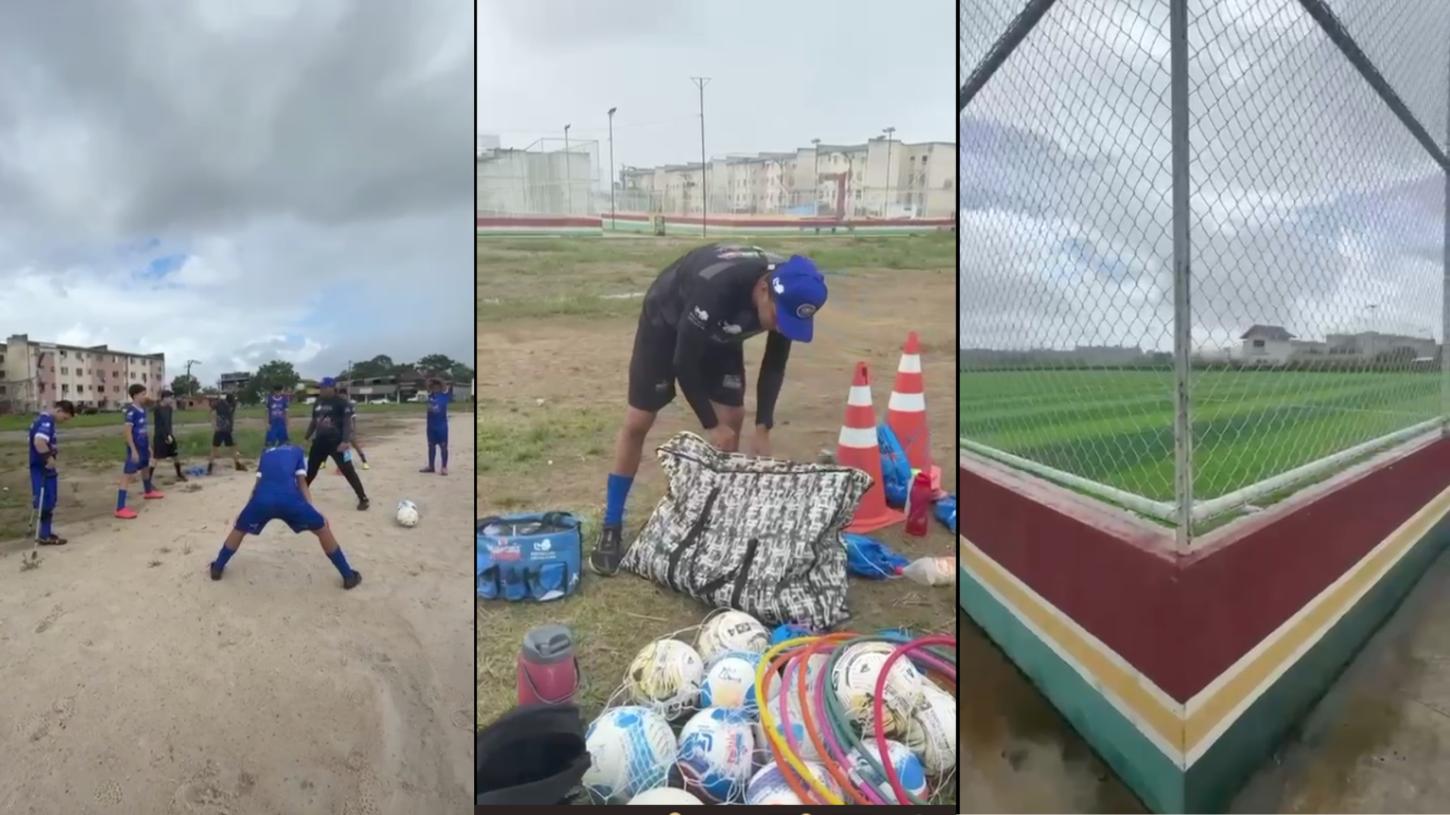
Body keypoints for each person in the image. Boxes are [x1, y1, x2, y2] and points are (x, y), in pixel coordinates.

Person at [589, 244, 828, 576]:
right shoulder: (718, 286)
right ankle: (611, 525)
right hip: (668, 321)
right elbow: (683, 362)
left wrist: (763, 427)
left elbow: (774, 364)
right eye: (777, 318)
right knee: (639, 421)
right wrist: (709, 424)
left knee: (733, 421)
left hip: (724, 329)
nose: (779, 327)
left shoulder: (787, 293)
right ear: (763, 290)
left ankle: (714, 523)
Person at [208, 443, 362, 590]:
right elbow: (302, 484)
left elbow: (257, 486)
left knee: (239, 529)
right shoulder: (297, 451)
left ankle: (217, 568)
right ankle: (348, 576)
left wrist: (244, 512)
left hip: (262, 500)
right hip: (290, 500)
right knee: (322, 528)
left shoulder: (265, 454)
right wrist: (314, 510)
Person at [304, 377, 370, 510]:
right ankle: (299, 496)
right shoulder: (318, 402)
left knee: (348, 471)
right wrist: (306, 437)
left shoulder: (341, 403)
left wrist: (345, 441)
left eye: (323, 387)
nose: (321, 390)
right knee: (310, 471)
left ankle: (363, 498)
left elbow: (347, 423)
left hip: (337, 444)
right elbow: (314, 421)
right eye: (320, 388)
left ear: (331, 388)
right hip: (319, 443)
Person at [28, 400, 76, 545]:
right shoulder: (46, 422)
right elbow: (39, 442)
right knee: (46, 500)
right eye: (65, 418)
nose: (64, 421)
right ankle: (44, 534)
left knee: (49, 499)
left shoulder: (45, 420)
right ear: (59, 411)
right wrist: (48, 457)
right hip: (42, 467)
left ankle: (46, 532)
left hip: (44, 468)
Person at [117, 384, 164, 519]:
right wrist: (133, 450)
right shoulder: (131, 411)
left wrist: (148, 447)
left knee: (145, 468)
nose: (145, 396)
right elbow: (127, 432)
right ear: (136, 395)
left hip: (143, 445)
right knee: (128, 475)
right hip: (135, 447)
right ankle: (120, 507)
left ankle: (148, 491)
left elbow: (143, 430)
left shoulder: (143, 410)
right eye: (143, 394)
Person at [151, 389, 188, 482]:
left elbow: (168, 423)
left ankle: (179, 474)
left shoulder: (169, 409)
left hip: (169, 435)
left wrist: (170, 434)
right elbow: (160, 425)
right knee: (156, 458)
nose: (172, 399)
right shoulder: (157, 409)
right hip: (160, 436)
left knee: (175, 455)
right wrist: (165, 436)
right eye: (170, 397)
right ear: (164, 398)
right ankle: (148, 480)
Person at [207, 393, 247, 474]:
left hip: (224, 430)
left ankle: (210, 468)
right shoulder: (229, 405)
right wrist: (213, 424)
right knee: (225, 448)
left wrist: (213, 424)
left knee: (227, 448)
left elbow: (211, 410)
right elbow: (211, 411)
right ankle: (210, 467)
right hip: (224, 430)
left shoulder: (221, 403)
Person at [420, 378, 451, 475]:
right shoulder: (430, 395)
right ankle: (431, 466)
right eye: (433, 387)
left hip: (441, 427)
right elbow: (426, 384)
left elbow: (444, 384)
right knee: (431, 447)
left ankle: (444, 467)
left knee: (443, 447)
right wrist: (430, 381)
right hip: (431, 427)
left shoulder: (445, 396)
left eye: (437, 386)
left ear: (440, 387)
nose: (435, 388)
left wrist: (436, 379)